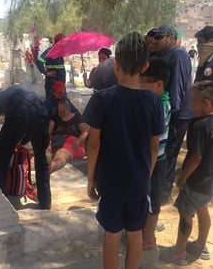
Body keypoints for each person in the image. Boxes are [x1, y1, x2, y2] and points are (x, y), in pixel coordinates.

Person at [84, 32, 165, 269]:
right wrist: (146, 175)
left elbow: (94, 144)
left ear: (116, 65)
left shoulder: (102, 99)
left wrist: (91, 179)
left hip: (110, 183)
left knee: (112, 234)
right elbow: (154, 146)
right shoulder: (153, 102)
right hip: (139, 182)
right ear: (145, 66)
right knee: (134, 233)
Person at [160, 80, 213, 265]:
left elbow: (196, 158)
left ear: (206, 103)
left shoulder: (200, 126)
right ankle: (200, 246)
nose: (189, 105)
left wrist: (182, 178)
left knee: (186, 213)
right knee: (202, 209)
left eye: (192, 101)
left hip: (198, 182)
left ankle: (179, 252)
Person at [0, 86, 51, 209]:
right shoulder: (22, 93)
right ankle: (45, 200)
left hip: (19, 112)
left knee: (1, 159)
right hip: (41, 113)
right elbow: (31, 123)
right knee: (41, 159)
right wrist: (22, 141)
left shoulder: (0, 99)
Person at [151, 24, 193, 204]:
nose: (154, 40)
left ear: (170, 38)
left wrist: (171, 117)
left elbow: (177, 88)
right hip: (169, 112)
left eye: (159, 37)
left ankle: (163, 194)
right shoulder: (165, 55)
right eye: (154, 37)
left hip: (176, 115)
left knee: (168, 155)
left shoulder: (178, 55)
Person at [139, 59, 171, 259]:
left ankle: (148, 238)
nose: (140, 87)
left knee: (154, 201)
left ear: (159, 85)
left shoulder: (161, 104)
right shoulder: (153, 101)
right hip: (147, 159)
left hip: (156, 162)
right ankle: (142, 231)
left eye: (144, 83)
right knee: (145, 198)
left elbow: (153, 143)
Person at [49, 100, 89, 173]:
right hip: (56, 142)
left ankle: (51, 167)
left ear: (68, 109)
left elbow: (86, 130)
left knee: (62, 153)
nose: (59, 112)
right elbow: (49, 132)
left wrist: (78, 141)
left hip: (72, 143)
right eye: (59, 110)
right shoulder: (55, 117)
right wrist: (48, 143)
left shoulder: (76, 117)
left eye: (62, 110)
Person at [35, 33, 66, 98]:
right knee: (51, 102)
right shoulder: (50, 51)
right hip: (53, 84)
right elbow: (39, 61)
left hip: (61, 84)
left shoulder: (59, 52)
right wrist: (46, 73)